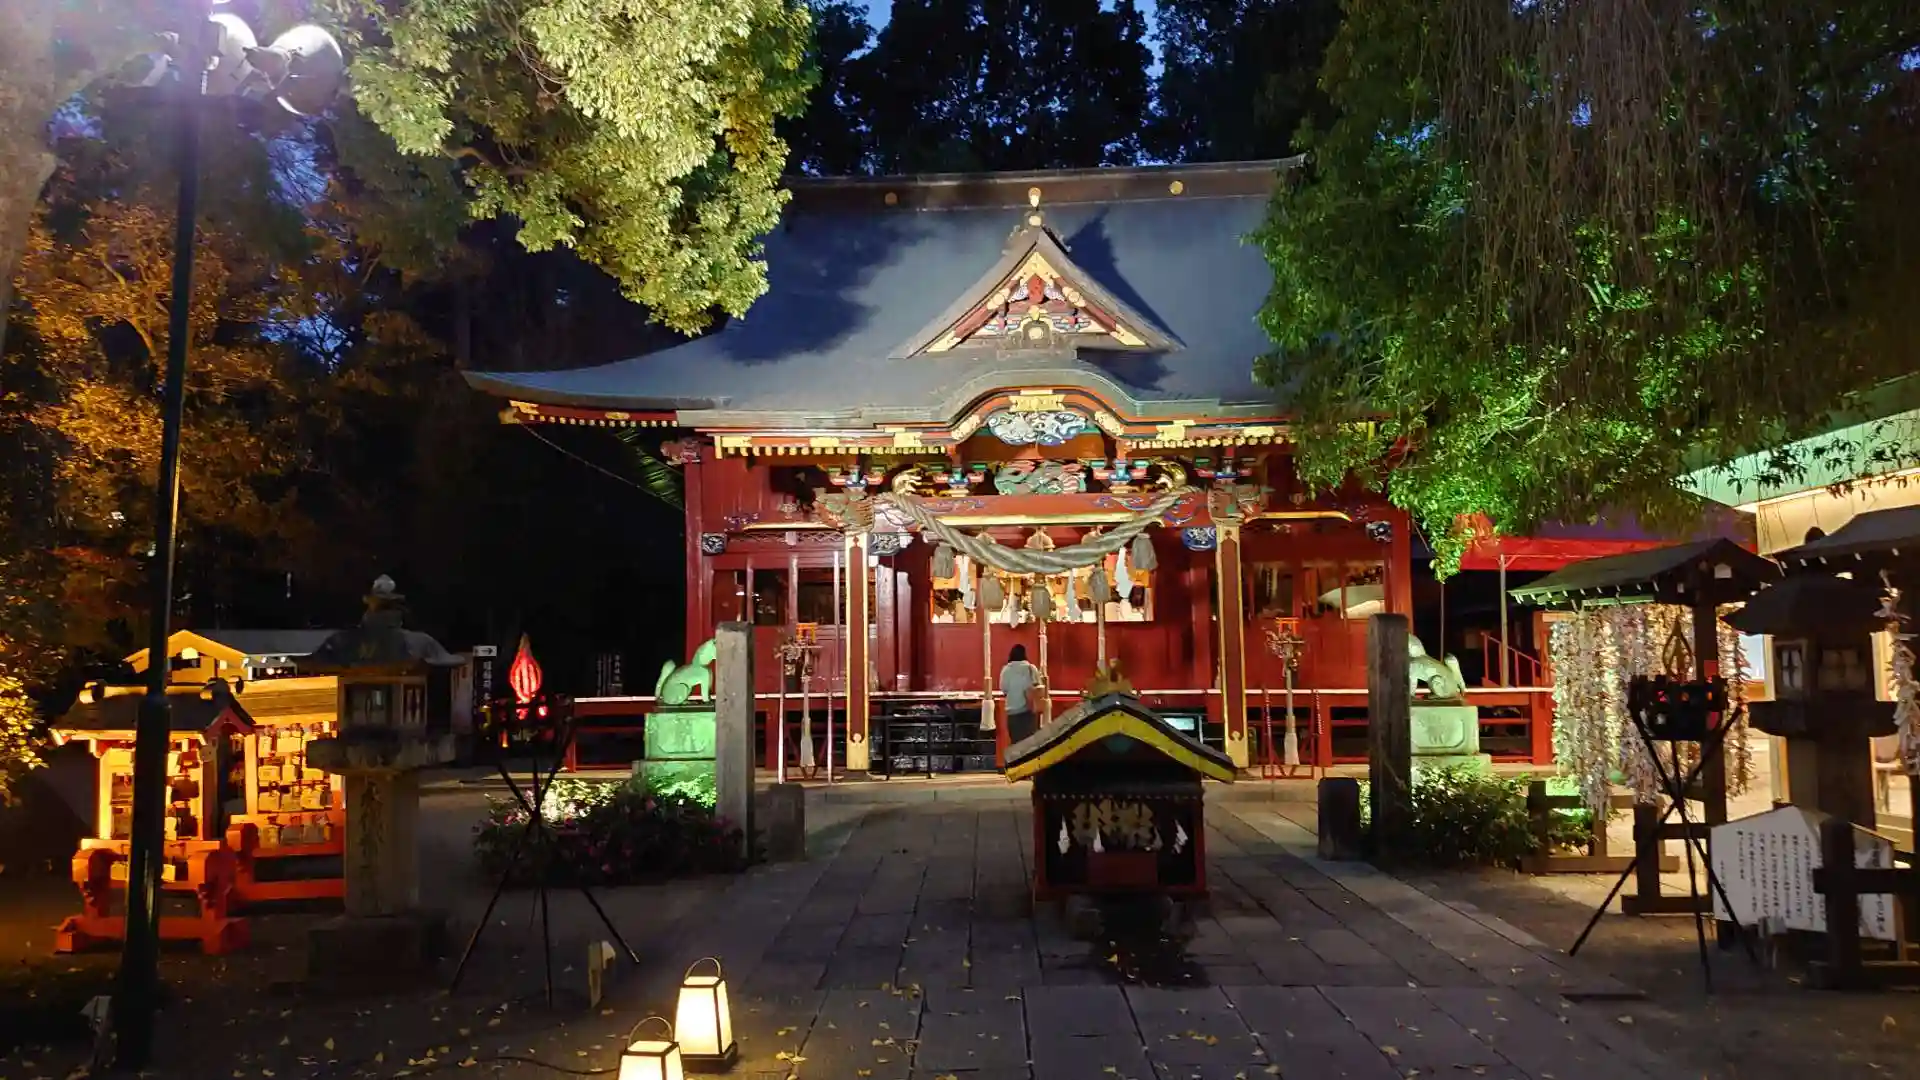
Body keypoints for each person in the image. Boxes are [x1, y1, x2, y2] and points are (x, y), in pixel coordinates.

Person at [999, 644, 1045, 744]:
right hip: (1028, 713)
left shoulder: (1005, 670)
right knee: (1030, 745)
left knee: (1016, 744)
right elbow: (1039, 688)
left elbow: (1004, 689)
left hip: (1012, 715)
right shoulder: (1031, 668)